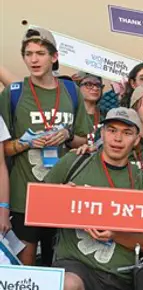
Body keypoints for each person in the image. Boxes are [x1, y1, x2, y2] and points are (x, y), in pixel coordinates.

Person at [44, 108, 143, 290]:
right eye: (112, 130)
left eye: (127, 132)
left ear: (137, 139)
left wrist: (115, 233)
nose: (118, 139)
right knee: (63, 286)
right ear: (102, 133)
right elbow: (38, 208)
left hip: (119, 276)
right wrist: (61, 198)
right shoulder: (75, 163)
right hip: (76, 263)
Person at [2, 28, 91, 266]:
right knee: (26, 268)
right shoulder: (14, 93)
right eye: (28, 54)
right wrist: (24, 143)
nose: (33, 59)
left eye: (40, 53)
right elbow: (3, 150)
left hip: (61, 194)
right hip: (24, 196)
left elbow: (85, 140)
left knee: (60, 265)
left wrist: (66, 134)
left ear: (54, 57)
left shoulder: (71, 91)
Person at [74, 73, 105, 148]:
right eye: (88, 84)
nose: (95, 88)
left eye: (98, 85)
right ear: (78, 87)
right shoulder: (71, 113)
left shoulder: (106, 115)